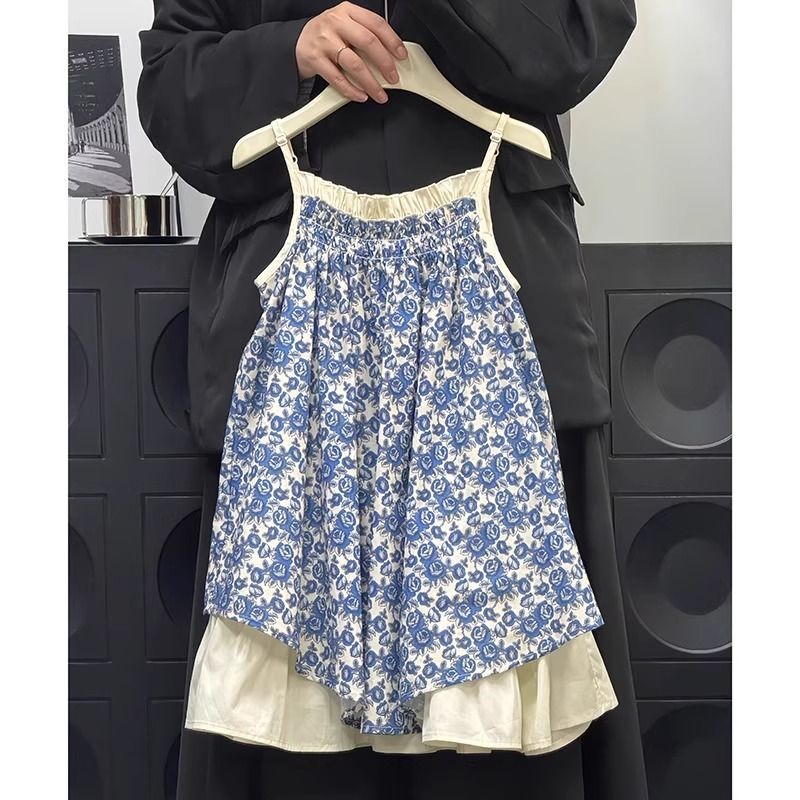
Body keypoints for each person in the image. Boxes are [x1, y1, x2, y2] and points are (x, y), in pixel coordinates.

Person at [138, 3, 647, 800]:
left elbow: (575, 42)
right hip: (294, 378)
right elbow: (172, 86)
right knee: (290, 751)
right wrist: (289, 50)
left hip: (503, 359)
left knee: (510, 755)